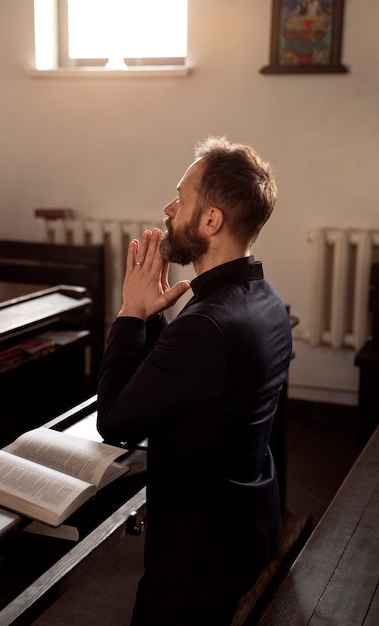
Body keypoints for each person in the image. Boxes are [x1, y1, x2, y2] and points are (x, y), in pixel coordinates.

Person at [97, 136, 292, 626]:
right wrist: (155, 319)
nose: (169, 208)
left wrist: (129, 315)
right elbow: (197, 375)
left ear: (211, 221)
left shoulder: (207, 324)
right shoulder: (262, 298)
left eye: (181, 198)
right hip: (247, 526)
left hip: (198, 557)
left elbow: (116, 419)